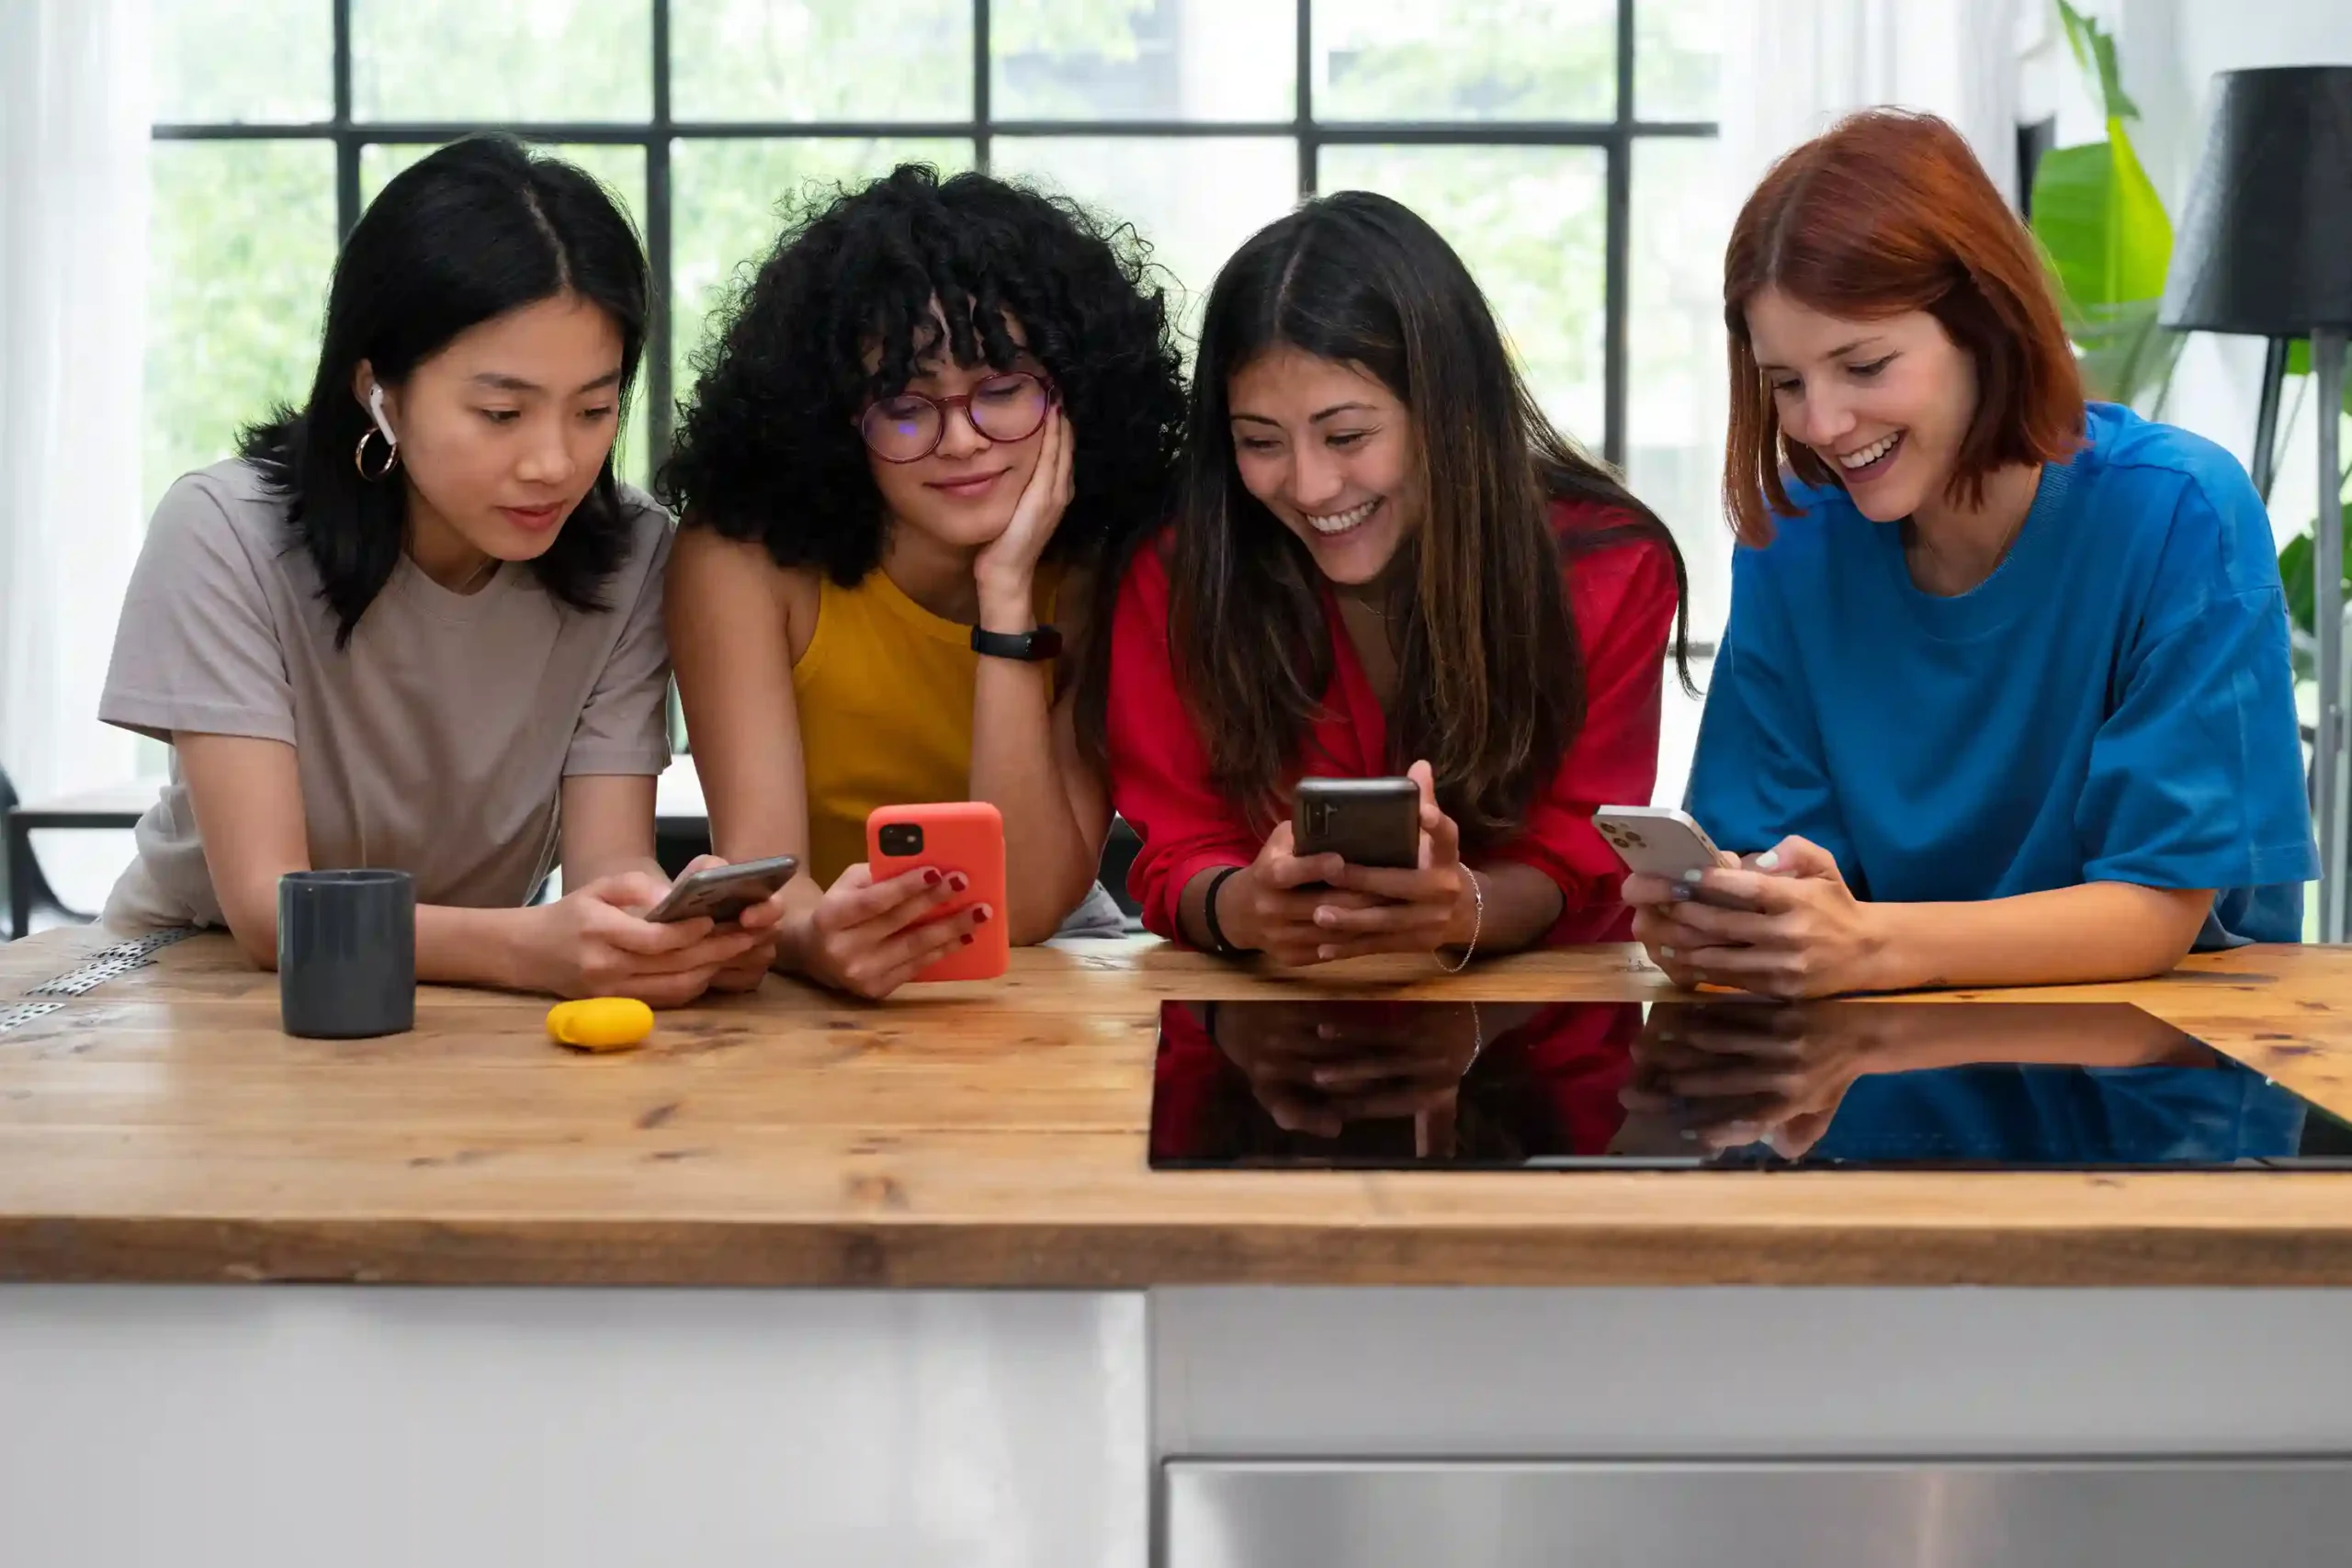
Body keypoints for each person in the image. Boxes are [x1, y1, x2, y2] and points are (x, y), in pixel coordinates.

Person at [1628, 109, 2318, 999]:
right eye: (1787, 384)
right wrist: (1730, 919)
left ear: (1983, 325)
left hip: (2153, 1086)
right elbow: (1778, 861)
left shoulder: (2179, 513)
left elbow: (2153, 911)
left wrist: (1863, 945)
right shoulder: (1792, 538)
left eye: (1865, 366)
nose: (1823, 424)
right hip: (1866, 1085)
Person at [100, 136, 774, 1006]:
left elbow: (607, 869)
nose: (554, 462)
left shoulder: (634, 553)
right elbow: (272, 913)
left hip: (459, 995)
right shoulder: (224, 532)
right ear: (378, 390)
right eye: (501, 412)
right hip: (194, 983)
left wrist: (655, 931)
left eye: (595, 409)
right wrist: (530, 949)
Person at [1102, 190, 1689, 967]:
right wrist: (1245, 906)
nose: (1310, 488)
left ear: (1448, 410)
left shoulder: (1610, 565)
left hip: (1546, 1039)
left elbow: (1574, 856)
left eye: (1347, 434)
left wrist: (1459, 907)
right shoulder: (1178, 572)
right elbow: (1177, 851)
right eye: (1260, 440)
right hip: (1262, 1031)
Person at [659, 164, 1184, 999]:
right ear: (839, 422)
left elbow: (1028, 906)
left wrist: (1007, 589)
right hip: (817, 946)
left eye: (1002, 392)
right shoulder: (740, 562)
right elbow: (767, 870)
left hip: (1049, 952)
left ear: (1074, 398)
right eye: (907, 406)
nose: (963, 441)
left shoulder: (1103, 564)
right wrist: (820, 939)